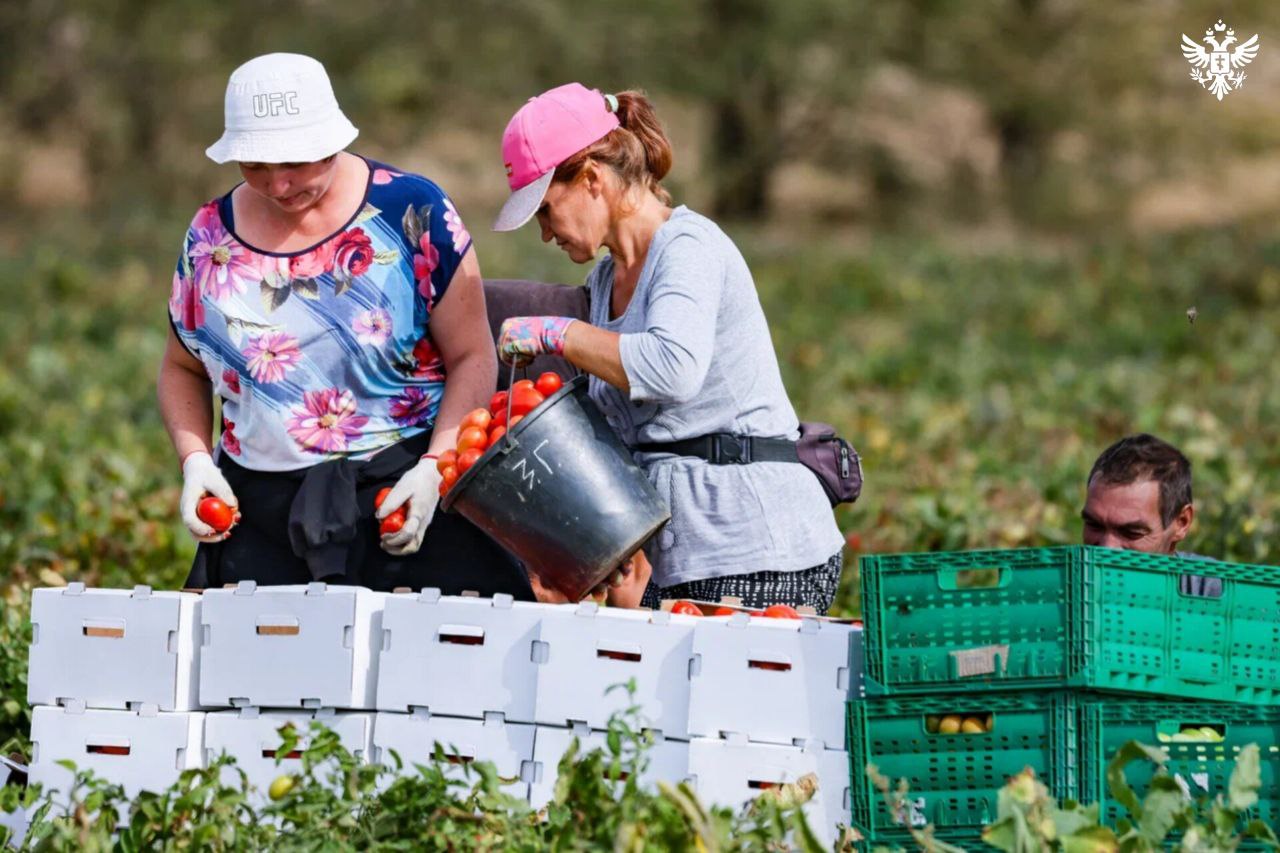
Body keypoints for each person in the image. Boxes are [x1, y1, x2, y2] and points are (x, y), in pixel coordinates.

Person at [157, 53, 532, 598]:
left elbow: (472, 356)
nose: (278, 185)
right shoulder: (209, 236)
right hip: (258, 512)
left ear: (332, 140)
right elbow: (180, 367)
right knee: (259, 675)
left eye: (295, 163)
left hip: (401, 495)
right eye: (255, 166)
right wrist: (195, 461)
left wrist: (435, 468)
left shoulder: (412, 212)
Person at [489, 83, 845, 612]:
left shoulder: (689, 248)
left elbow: (673, 369)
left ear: (591, 179)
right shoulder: (608, 279)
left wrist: (556, 335)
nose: (545, 234)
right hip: (678, 559)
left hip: (757, 549)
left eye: (545, 210)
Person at [1081, 433, 1218, 595]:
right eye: (1094, 526)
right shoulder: (1058, 589)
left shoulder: (1212, 593)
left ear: (1182, 522)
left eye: (1131, 533)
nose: (1107, 549)